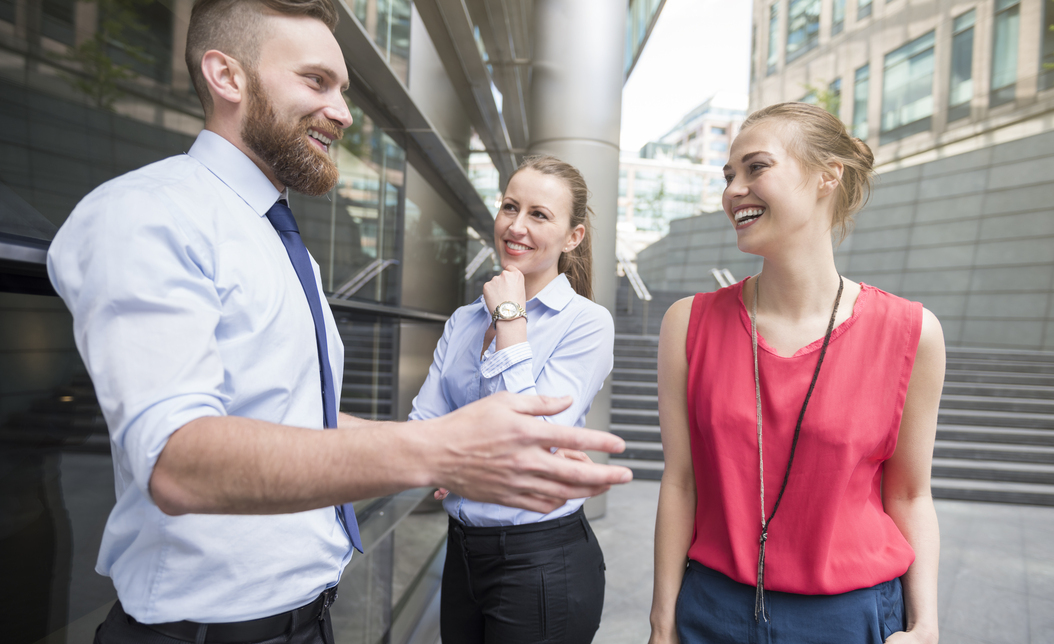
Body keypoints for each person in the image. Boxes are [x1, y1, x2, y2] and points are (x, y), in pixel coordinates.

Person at [45, 1, 632, 642]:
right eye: (315, 81)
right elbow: (176, 461)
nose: (345, 112)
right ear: (227, 76)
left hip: (315, 616)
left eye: (344, 90)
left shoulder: (279, 241)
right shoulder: (145, 213)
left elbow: (293, 415)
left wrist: (445, 450)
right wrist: (442, 451)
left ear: (573, 236)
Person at [648, 102, 944, 644]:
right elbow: (680, 482)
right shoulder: (688, 324)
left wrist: (926, 625)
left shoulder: (911, 331)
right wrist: (662, 623)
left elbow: (909, 495)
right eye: (728, 175)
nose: (734, 189)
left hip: (851, 619)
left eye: (756, 168)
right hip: (710, 610)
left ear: (828, 175)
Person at [408, 155, 612, 644]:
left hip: (540, 560)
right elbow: (424, 428)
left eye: (539, 215)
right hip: (461, 551)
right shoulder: (462, 320)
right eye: (509, 207)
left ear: (573, 238)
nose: (516, 226)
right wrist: (447, 458)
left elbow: (530, 436)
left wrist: (510, 317)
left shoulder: (587, 323)